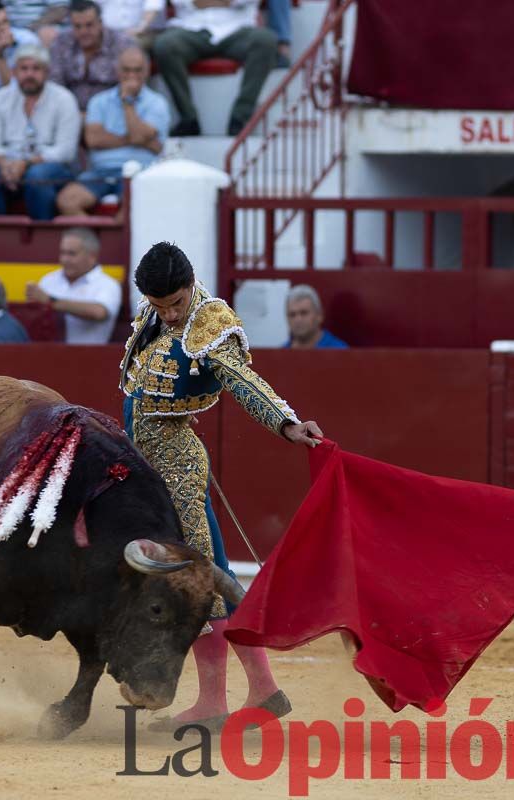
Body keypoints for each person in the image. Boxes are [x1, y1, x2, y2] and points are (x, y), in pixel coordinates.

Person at [120, 241, 323, 731]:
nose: (168, 315)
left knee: (201, 581)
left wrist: (286, 423)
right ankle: (265, 689)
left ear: (191, 286)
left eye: (175, 303)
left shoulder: (210, 323)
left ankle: (214, 700)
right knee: (217, 572)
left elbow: (241, 381)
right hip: (149, 465)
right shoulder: (155, 313)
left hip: (179, 467)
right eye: (159, 304)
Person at [56, 47, 166, 216]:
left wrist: (127, 102)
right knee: (66, 201)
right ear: (117, 71)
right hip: (100, 171)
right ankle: (94, 242)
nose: (131, 76)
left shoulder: (157, 103)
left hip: (139, 172)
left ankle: (118, 243)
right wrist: (143, 141)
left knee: (130, 212)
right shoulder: (99, 101)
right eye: (126, 70)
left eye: (137, 70)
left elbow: (137, 136)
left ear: (147, 71)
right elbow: (93, 140)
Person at [153, 0, 278, 136]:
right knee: (164, 46)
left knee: (266, 41)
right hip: (191, 28)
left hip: (237, 29)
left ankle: (240, 118)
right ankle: (188, 119)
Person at [0, 46, 80, 220]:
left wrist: (26, 163)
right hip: (9, 165)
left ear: (47, 72)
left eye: (36, 69)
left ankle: (43, 236)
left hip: (52, 168)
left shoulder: (64, 99)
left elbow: (66, 151)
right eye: (24, 69)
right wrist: (5, 164)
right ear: (14, 72)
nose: (29, 74)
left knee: (37, 176)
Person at [25, 227, 121, 343]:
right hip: (48, 356)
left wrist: (50, 301)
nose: (64, 259)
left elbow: (99, 312)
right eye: (62, 252)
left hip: (89, 358)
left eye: (72, 254)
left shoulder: (108, 285)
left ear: (92, 257)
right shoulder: (49, 280)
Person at [47, 0, 134, 110]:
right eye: (77, 26)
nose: (83, 32)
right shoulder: (61, 43)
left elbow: (131, 83)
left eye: (89, 25)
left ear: (100, 23)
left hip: (113, 111)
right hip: (69, 111)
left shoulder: (122, 44)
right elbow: (55, 85)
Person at [283, 284, 347, 348]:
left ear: (319, 316)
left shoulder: (340, 351)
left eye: (304, 313)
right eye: (292, 315)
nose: (298, 319)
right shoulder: (280, 354)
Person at [98, 0, 162, 49]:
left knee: (130, 45)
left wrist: (140, 28)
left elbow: (153, 6)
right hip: (104, 33)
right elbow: (91, 7)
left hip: (139, 33)